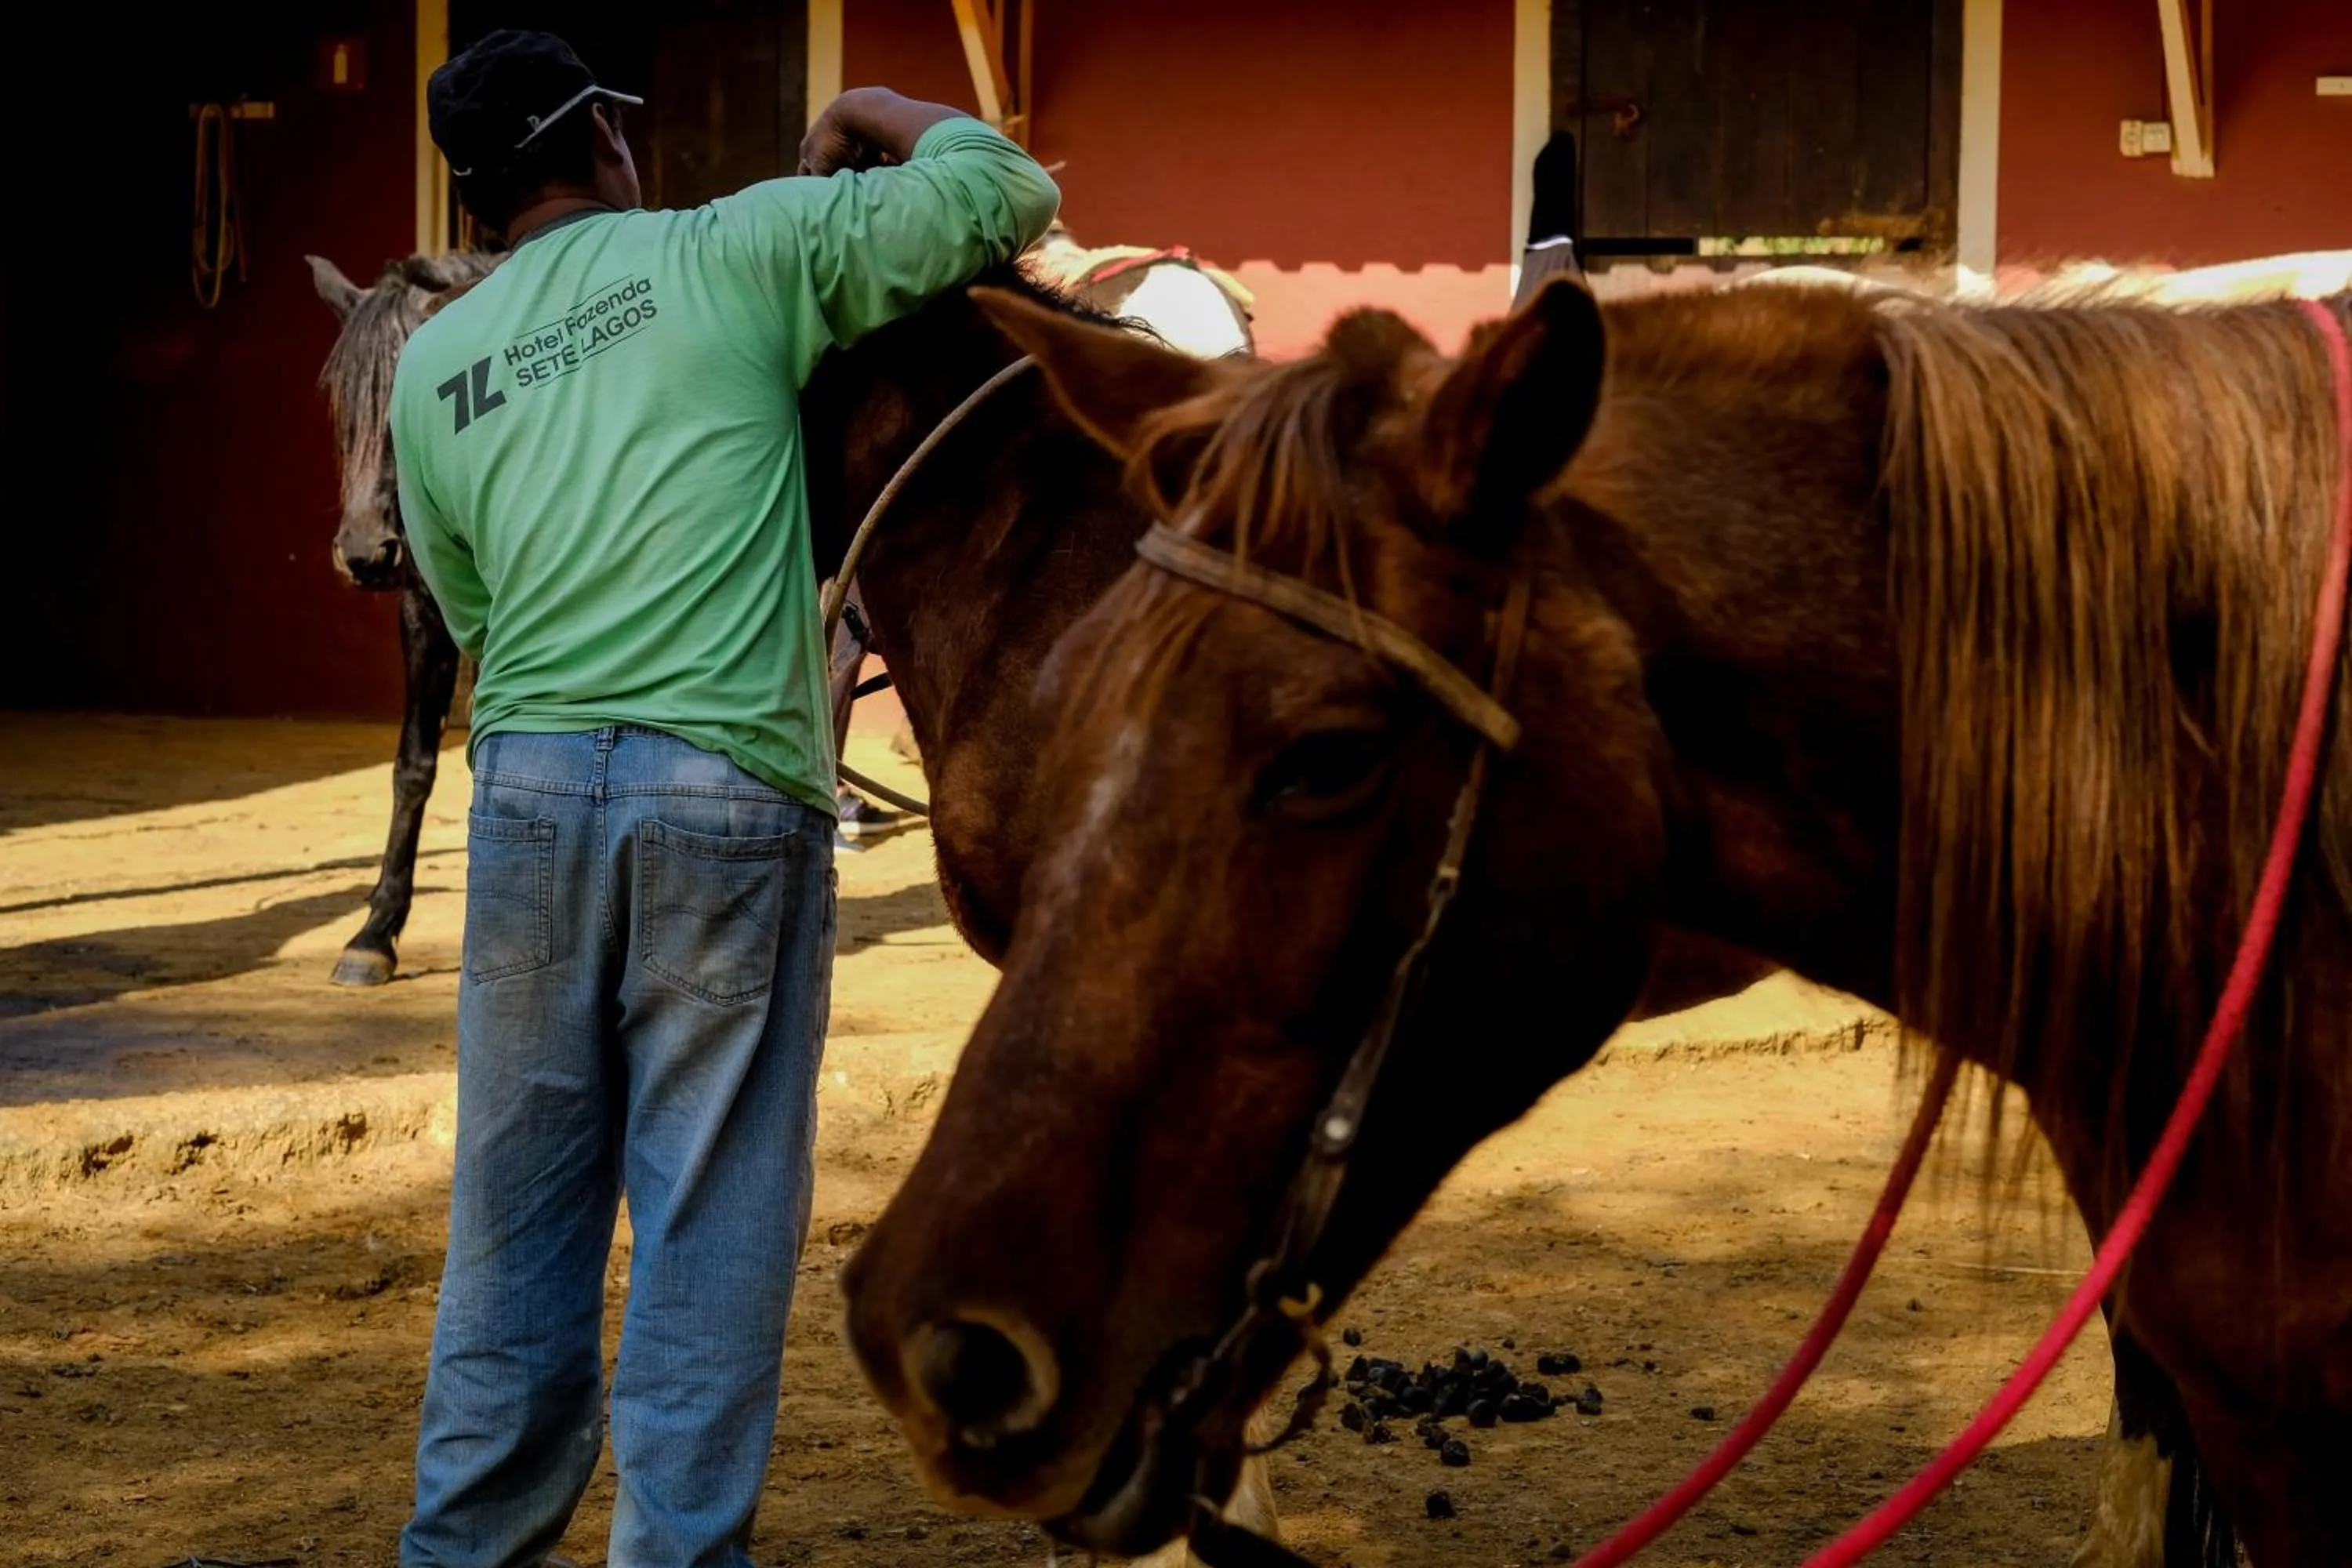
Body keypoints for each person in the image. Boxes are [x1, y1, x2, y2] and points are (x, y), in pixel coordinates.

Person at [387, 31, 1058, 1568]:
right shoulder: (740, 246)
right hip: (725, 798)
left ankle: (465, 1551)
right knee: (708, 1217)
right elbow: (1003, 191)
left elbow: (476, 613)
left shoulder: (435, 369)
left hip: (534, 796)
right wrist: (871, 109)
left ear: (480, 195)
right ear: (610, 135)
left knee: (510, 1219)